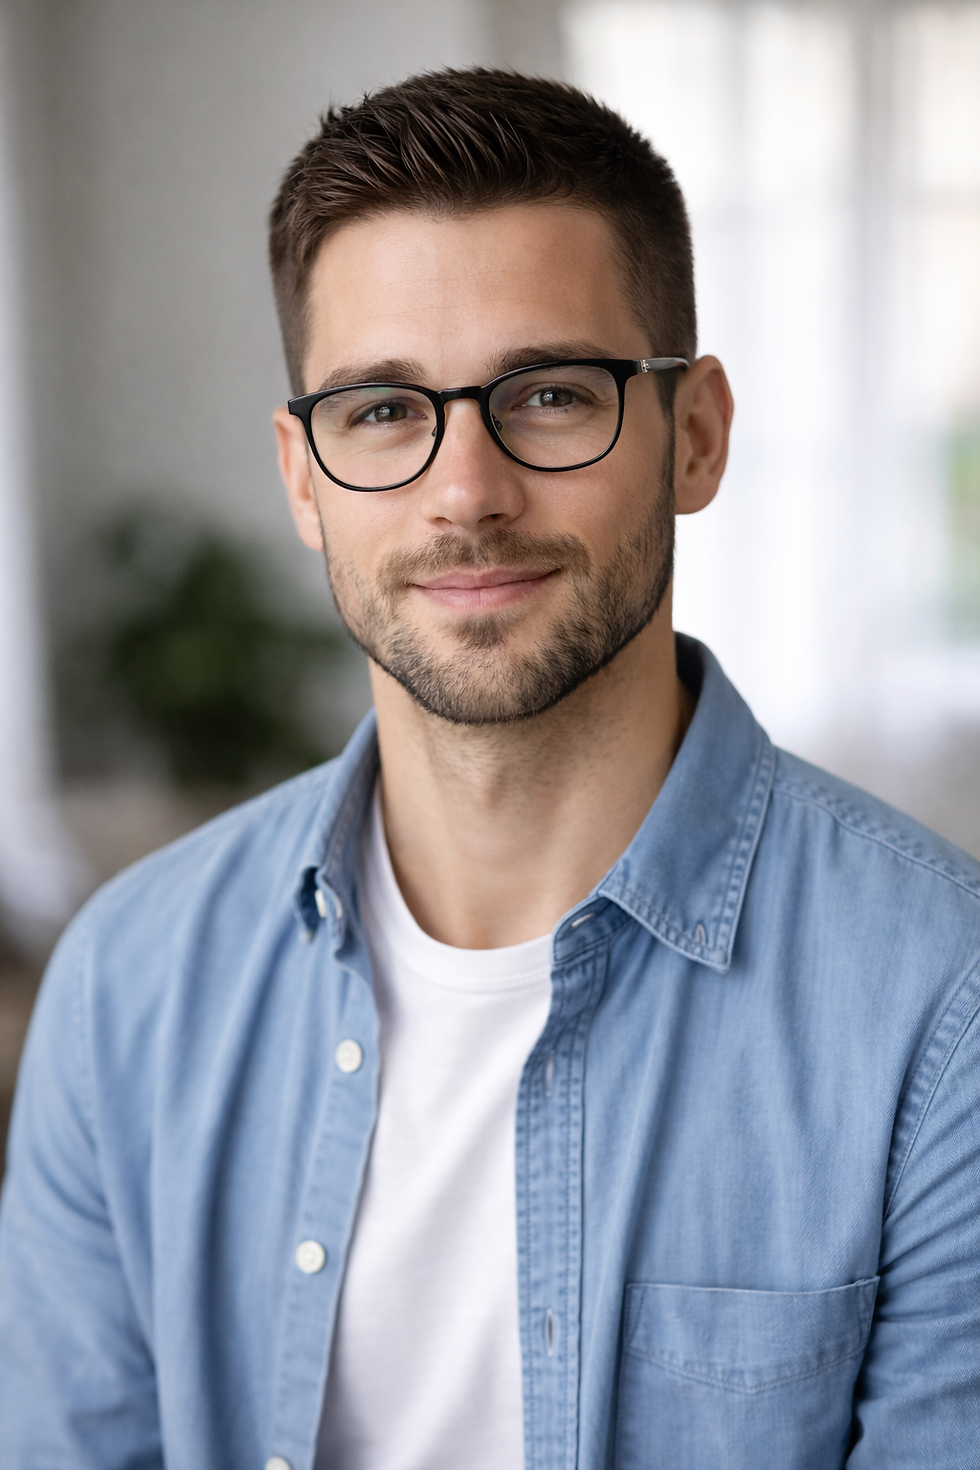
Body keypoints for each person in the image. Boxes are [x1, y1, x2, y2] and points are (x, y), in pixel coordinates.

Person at [1, 67, 978, 1470]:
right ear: (302, 475)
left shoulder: (945, 1009)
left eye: (551, 393)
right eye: (386, 411)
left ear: (693, 435)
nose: (468, 490)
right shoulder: (122, 994)